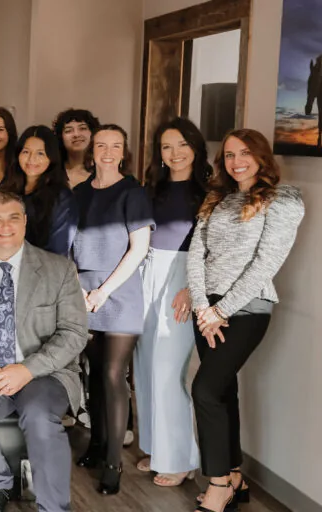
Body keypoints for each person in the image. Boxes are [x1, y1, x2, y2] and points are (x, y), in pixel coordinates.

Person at [0, 190, 88, 512]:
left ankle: (53, 508)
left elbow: (74, 332)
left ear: (24, 221)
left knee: (39, 417)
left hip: (43, 373)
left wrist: (27, 369)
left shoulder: (59, 269)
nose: (4, 226)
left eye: (13, 218)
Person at [187, 129, 304, 512]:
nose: (236, 162)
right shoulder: (217, 196)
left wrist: (220, 311)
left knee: (204, 390)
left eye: (244, 154)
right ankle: (235, 476)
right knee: (222, 391)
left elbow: (266, 264)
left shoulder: (282, 200)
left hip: (248, 309)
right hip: (207, 310)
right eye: (229, 155)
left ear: (261, 157)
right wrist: (203, 305)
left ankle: (218, 482)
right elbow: (196, 252)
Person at [71, 124, 154, 495]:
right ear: (92, 150)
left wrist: (103, 291)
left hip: (119, 291)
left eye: (115, 145)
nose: (106, 151)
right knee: (91, 372)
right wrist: (77, 287)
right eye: (100, 144)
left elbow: (138, 249)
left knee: (112, 373)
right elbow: (67, 244)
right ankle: (97, 443)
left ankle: (113, 462)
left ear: (124, 152)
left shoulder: (133, 193)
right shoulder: (78, 193)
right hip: (81, 290)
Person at [133, 117, 210, 487]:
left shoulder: (211, 191)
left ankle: (180, 457)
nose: (174, 153)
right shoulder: (152, 189)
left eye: (181, 144)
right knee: (144, 365)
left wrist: (195, 288)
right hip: (146, 272)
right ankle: (155, 447)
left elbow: (215, 248)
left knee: (167, 370)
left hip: (184, 277)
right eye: (166, 146)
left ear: (195, 146)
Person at [0, 125, 78, 256]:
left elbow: (58, 249)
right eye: (26, 152)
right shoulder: (6, 189)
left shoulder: (62, 197)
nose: (31, 159)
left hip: (44, 270)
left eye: (40, 153)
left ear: (51, 157)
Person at [52, 108, 100, 189]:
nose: (76, 134)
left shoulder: (103, 172)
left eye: (82, 128)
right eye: (68, 130)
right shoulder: (52, 174)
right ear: (61, 137)